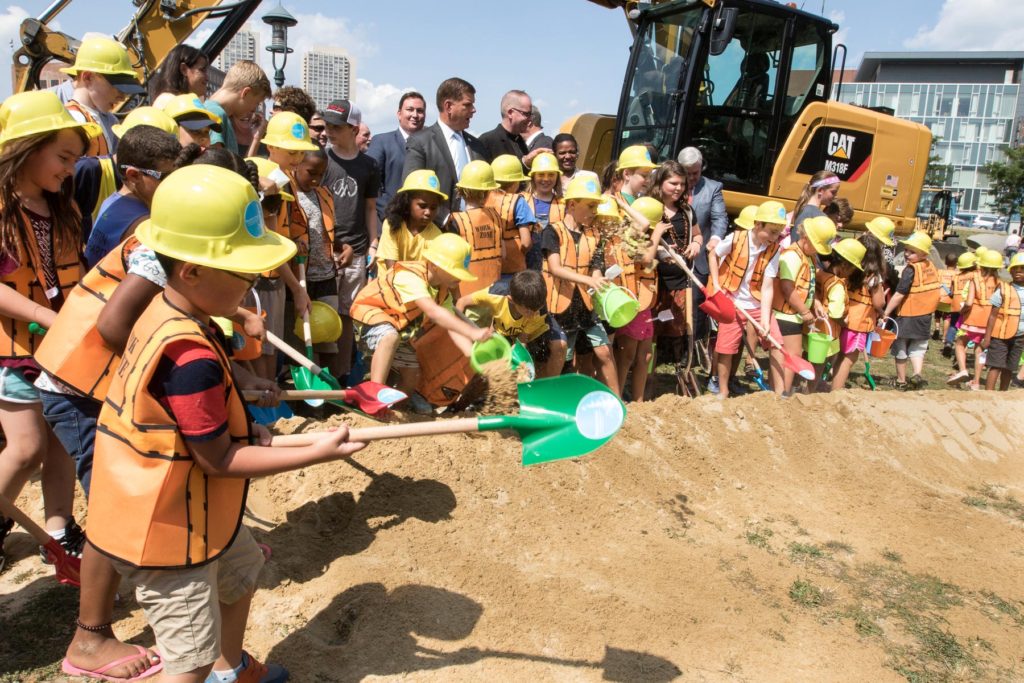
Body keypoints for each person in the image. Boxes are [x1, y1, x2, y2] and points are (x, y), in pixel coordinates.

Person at [81, 164, 365, 682]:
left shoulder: (170, 312)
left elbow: (190, 416)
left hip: (193, 508)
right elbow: (218, 459)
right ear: (192, 270)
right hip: (168, 531)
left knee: (241, 571)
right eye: (243, 272)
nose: (254, 283)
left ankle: (229, 669)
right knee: (186, 660)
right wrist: (315, 450)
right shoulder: (190, 358)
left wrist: (240, 394)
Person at [0, 91, 98, 573]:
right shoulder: (1, 210)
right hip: (13, 351)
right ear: (27, 148)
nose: (68, 170)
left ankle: (59, 527)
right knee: (25, 449)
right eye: (62, 158)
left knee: (60, 439)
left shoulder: (63, 208)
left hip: (61, 350)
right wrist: (48, 317)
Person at [349, 233, 491, 412]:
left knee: (412, 375)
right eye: (455, 272)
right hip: (368, 318)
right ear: (435, 265)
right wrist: (472, 332)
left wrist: (472, 353)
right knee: (390, 337)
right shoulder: (410, 276)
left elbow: (450, 326)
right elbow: (433, 311)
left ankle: (395, 411)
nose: (460, 278)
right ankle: (374, 399)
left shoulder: (442, 292)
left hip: (396, 329)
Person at [541, 176, 619, 395]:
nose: (595, 211)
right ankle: (551, 398)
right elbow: (555, 268)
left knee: (604, 351)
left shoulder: (594, 236)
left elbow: (595, 267)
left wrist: (599, 280)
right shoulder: (552, 232)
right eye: (591, 205)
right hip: (559, 308)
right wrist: (589, 280)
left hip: (585, 307)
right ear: (572, 205)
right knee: (564, 359)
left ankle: (618, 401)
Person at [322, 99, 381, 382]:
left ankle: (343, 372)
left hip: (357, 250)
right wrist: (330, 246)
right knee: (325, 312)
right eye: (328, 125)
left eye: (336, 126)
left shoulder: (368, 165)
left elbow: (370, 207)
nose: (330, 131)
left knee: (348, 315)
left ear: (353, 128)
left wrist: (372, 244)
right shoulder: (321, 160)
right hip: (326, 250)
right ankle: (325, 373)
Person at [707, 200, 787, 398]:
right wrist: (717, 283)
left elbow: (768, 286)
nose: (775, 237)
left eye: (778, 233)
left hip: (757, 304)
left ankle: (779, 393)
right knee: (726, 348)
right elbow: (713, 254)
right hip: (732, 302)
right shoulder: (736, 238)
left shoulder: (774, 249)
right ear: (758, 225)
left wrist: (765, 320)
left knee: (776, 343)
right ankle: (723, 390)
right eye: (772, 232)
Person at [286, 148, 351, 374]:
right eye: (311, 172)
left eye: (321, 174)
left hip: (325, 276)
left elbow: (328, 229)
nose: (316, 179)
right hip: (299, 277)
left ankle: (330, 388)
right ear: (296, 167)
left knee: (329, 334)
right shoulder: (290, 195)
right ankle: (305, 394)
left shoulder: (323, 194)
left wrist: (344, 246)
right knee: (302, 335)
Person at [84, 125, 184, 268]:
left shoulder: (111, 201)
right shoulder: (143, 225)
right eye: (167, 176)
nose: (176, 183)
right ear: (134, 175)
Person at [402, 77, 487, 223]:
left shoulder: (477, 145)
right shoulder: (421, 142)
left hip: (477, 230)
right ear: (448, 106)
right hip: (438, 233)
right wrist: (447, 219)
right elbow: (413, 188)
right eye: (467, 105)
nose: (473, 110)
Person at [605, 195, 664, 402]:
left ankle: (638, 401)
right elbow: (646, 257)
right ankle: (617, 396)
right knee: (626, 355)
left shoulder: (642, 238)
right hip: (632, 305)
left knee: (645, 355)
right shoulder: (626, 237)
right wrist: (656, 234)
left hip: (645, 305)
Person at [456, 270, 567, 379]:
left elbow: (522, 339)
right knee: (498, 363)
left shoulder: (538, 309)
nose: (533, 314)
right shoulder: (495, 294)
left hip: (534, 331)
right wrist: (458, 332)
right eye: (528, 311)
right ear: (511, 300)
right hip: (504, 331)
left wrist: (520, 363)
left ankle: (547, 387)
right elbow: (461, 302)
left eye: (536, 310)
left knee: (560, 345)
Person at [773, 215, 835, 394]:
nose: (818, 251)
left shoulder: (808, 256)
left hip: (795, 314)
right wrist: (805, 312)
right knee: (792, 356)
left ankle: (783, 392)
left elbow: (809, 284)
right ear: (806, 238)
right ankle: (782, 394)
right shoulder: (792, 256)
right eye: (818, 245)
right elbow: (787, 287)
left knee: (793, 355)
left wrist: (815, 302)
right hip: (786, 314)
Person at [61, 36, 145, 156]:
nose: (122, 97)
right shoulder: (75, 121)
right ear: (88, 77)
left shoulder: (101, 119)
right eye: (117, 87)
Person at [677, 146, 728, 344]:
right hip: (671, 255)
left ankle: (693, 347)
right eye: (687, 174)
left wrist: (715, 238)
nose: (692, 178)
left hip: (698, 260)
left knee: (696, 303)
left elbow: (719, 218)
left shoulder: (713, 188)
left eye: (695, 173)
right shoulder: (670, 184)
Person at [881, 231, 941, 390]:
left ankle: (901, 380)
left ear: (923, 253)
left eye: (912, 252)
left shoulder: (910, 270)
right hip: (925, 315)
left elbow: (899, 294)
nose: (907, 254)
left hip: (908, 314)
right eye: (906, 250)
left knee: (900, 346)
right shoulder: (931, 267)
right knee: (918, 347)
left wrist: (886, 312)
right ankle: (916, 374)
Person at [831, 232, 886, 390]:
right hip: (858, 325)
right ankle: (835, 392)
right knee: (848, 360)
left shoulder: (850, 269)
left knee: (839, 355)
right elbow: (878, 302)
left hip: (843, 319)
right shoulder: (873, 277)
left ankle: (831, 387)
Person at [367, 91, 427, 223]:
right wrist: (391, 214)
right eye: (410, 110)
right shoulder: (381, 141)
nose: (415, 115)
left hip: (425, 224)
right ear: (399, 114)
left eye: (420, 111)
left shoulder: (432, 145)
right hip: (389, 222)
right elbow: (371, 182)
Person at [814, 238, 864, 390]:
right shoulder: (837, 285)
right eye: (852, 268)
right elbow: (835, 313)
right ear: (844, 265)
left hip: (814, 329)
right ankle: (808, 393)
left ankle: (801, 387)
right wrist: (845, 322)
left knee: (810, 360)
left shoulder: (820, 274)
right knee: (818, 365)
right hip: (827, 332)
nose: (852, 272)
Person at [948, 248, 1002, 390]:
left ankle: (963, 370)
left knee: (960, 343)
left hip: (972, 319)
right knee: (981, 350)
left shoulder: (975, 279)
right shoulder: (999, 282)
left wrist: (962, 311)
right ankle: (977, 382)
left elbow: (969, 302)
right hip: (989, 322)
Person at [449, 161, 504, 296]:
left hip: (466, 295)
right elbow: (504, 254)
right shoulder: (496, 217)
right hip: (493, 293)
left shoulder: (456, 221)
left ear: (462, 191)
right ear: (487, 192)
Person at [376, 169, 446, 273]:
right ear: (407, 201)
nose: (428, 212)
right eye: (422, 206)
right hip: (388, 285)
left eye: (433, 208)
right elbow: (392, 270)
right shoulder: (392, 225)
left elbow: (431, 274)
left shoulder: (437, 236)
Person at [204, 60, 272, 156]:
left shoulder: (212, 110)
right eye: (256, 103)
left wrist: (255, 138)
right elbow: (217, 166)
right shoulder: (216, 114)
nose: (254, 110)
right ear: (246, 93)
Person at [488, 154, 538, 274]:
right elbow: (525, 243)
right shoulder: (518, 202)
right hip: (512, 270)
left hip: (488, 267)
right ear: (515, 182)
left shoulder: (484, 199)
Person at [981, 252, 1024, 391]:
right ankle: (989, 395)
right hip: (1000, 336)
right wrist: (987, 337)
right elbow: (992, 315)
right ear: (1010, 271)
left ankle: (1003, 396)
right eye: (1015, 269)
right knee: (996, 365)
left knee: (1010, 368)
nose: (1018, 272)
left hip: (1020, 337)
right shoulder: (1004, 289)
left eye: (1022, 269)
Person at [519, 152, 565, 271]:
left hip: (552, 266)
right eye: (541, 175)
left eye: (551, 175)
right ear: (533, 176)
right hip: (525, 266)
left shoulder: (564, 204)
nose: (546, 179)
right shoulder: (521, 200)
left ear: (557, 177)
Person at [478, 89, 548, 166]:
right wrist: (524, 162)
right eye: (526, 114)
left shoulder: (519, 141)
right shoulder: (488, 141)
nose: (530, 119)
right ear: (510, 113)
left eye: (530, 114)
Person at [789, 171, 840, 242]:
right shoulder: (820, 217)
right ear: (820, 190)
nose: (836, 196)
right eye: (833, 192)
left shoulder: (801, 209)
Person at [946, 251, 977, 357]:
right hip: (968, 305)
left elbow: (951, 291)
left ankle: (948, 342)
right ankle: (963, 348)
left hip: (956, 304)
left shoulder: (956, 276)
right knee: (965, 328)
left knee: (953, 324)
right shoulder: (974, 276)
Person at [935, 251, 958, 342]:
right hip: (949, 299)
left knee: (937, 314)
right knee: (947, 318)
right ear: (956, 264)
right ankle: (944, 337)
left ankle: (937, 329)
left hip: (939, 297)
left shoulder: (940, 272)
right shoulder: (957, 274)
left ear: (945, 262)